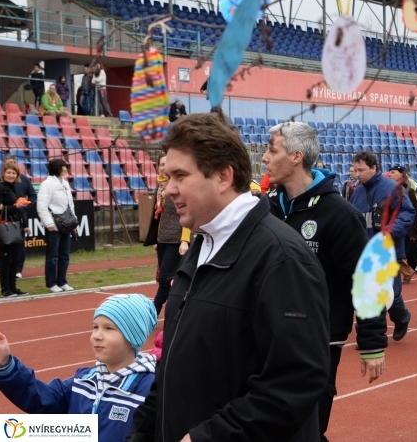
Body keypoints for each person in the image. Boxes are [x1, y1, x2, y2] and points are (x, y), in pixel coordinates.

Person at [126, 113, 330, 442]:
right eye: (167, 176)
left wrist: (210, 437)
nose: (169, 189)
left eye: (180, 176)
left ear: (223, 176)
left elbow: (296, 381)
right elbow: (172, 368)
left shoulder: (282, 259)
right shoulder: (202, 244)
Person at [263, 122, 388, 442]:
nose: (264, 158)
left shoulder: (339, 214)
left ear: (295, 157)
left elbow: (366, 277)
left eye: (272, 150)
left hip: (318, 340)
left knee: (309, 427)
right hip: (269, 336)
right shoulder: (268, 209)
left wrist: (372, 342)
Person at [0, 294, 158, 442]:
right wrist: (6, 364)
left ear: (133, 337)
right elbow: (40, 398)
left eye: (109, 328)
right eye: (95, 327)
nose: (97, 335)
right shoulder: (83, 381)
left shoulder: (149, 391)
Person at [350, 151, 414, 341]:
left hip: (388, 251)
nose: (357, 174)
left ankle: (402, 317)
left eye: (361, 170)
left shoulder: (393, 188)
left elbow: (407, 213)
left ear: (374, 168)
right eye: (355, 170)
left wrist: (388, 232)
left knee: (390, 294)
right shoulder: (357, 192)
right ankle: (370, 333)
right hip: (365, 252)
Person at [143, 155, 191, 315]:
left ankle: (160, 310)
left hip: (176, 239)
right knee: (165, 279)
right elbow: (161, 217)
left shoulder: (179, 186)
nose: (163, 167)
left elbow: (187, 213)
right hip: (163, 238)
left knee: (166, 278)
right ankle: (169, 309)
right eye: (161, 164)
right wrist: (157, 239)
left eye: (166, 163)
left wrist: (185, 240)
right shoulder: (161, 187)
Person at [37, 158, 77, 293]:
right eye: (64, 167)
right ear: (58, 168)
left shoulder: (65, 183)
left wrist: (74, 221)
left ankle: (62, 281)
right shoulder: (46, 184)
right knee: (53, 255)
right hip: (54, 225)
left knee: (64, 254)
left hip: (66, 223)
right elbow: (41, 206)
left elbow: (70, 204)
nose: (66, 169)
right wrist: (49, 223)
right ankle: (51, 283)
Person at [388, 165, 417, 281]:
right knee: (400, 246)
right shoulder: (390, 186)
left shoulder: (408, 187)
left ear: (401, 174)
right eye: (389, 172)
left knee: (412, 241)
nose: (390, 175)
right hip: (398, 220)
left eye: (393, 172)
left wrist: (415, 229)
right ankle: (408, 270)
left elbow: (415, 208)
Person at [0, 162, 30, 297]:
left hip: (16, 226)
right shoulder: (0, 187)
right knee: (6, 259)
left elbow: (20, 209)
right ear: (3, 173)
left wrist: (26, 224)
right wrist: (14, 207)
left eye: (13, 173)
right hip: (5, 226)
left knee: (16, 258)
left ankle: (13, 287)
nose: (11, 175)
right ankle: (5, 289)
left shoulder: (14, 188)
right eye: (9, 172)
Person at [8, 154, 36, 280]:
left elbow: (33, 196)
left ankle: (18, 270)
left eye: (14, 162)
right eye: (9, 163)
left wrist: (25, 207)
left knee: (19, 245)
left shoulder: (24, 179)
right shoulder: (0, 181)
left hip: (20, 218)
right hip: (3, 219)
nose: (12, 165)